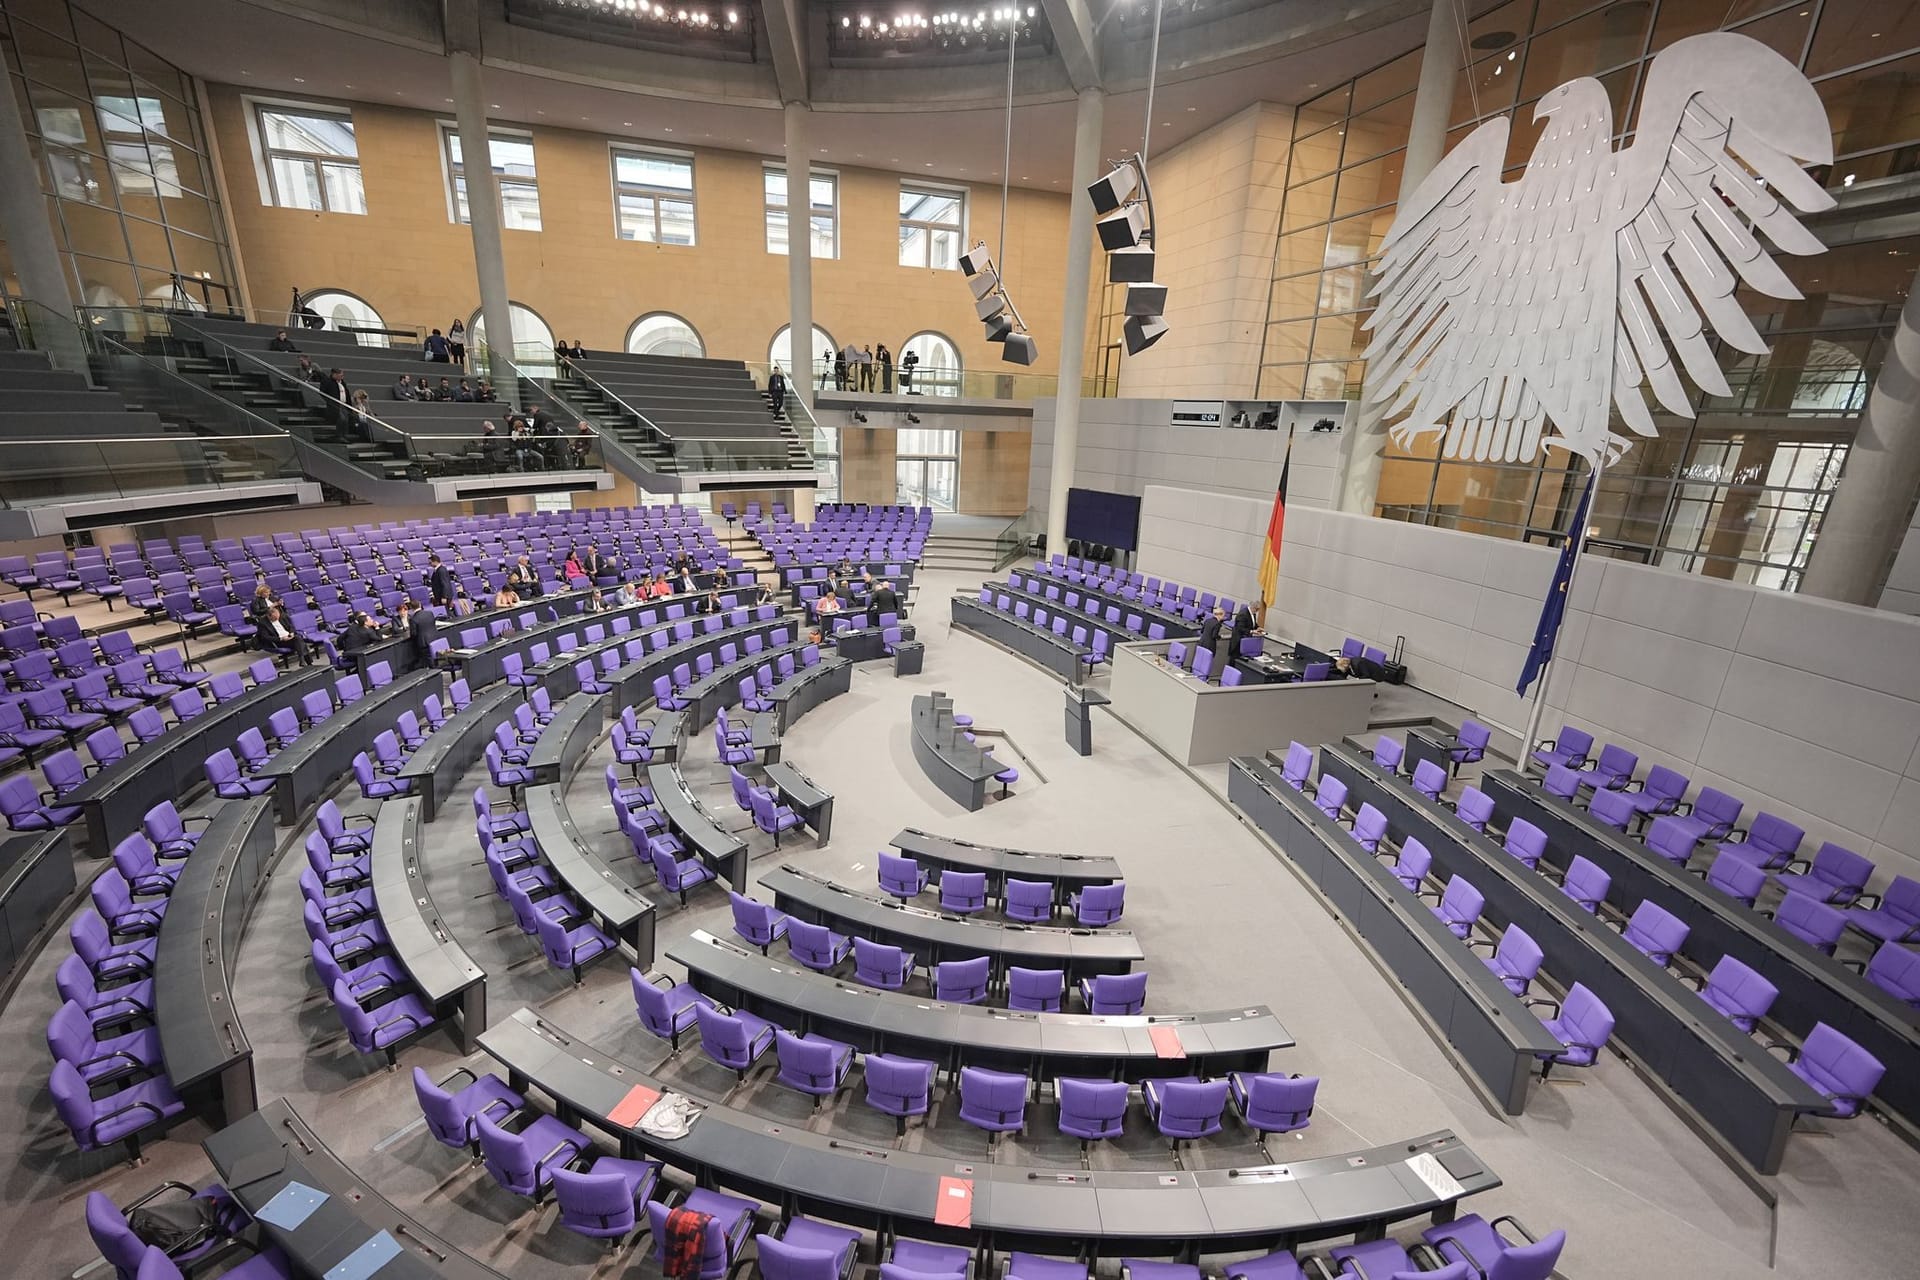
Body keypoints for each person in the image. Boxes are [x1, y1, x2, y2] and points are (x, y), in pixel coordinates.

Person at [339, 610, 381, 678]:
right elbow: (379, 638)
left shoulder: (352, 627)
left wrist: (343, 649)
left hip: (348, 653)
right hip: (357, 656)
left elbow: (340, 638)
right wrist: (377, 627)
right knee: (373, 655)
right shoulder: (367, 631)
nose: (372, 620)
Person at [396, 599, 436, 666]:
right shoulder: (430, 613)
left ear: (411, 608)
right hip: (434, 638)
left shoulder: (414, 619)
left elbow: (414, 634)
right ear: (420, 605)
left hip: (424, 643)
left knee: (428, 661)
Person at [1197, 606, 1226, 682]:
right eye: (1223, 615)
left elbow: (1202, 631)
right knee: (1207, 663)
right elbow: (1214, 636)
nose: (1224, 617)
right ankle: (1205, 678)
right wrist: (1220, 637)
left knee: (1201, 661)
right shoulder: (1217, 624)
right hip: (1210, 646)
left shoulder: (1207, 620)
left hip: (1202, 643)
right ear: (1219, 615)